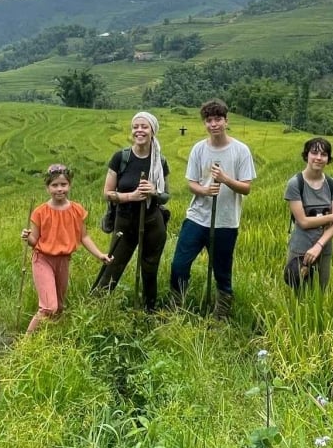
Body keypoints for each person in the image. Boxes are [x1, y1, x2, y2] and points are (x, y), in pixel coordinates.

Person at [169, 99, 255, 316]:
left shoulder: (241, 151)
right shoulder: (199, 149)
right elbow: (191, 183)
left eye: (218, 119)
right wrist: (204, 191)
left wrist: (225, 179)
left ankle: (221, 314)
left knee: (222, 272)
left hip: (226, 221)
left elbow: (246, 188)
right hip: (198, 217)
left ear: (226, 121)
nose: (213, 124)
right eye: (209, 120)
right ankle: (176, 307)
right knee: (179, 264)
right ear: (204, 123)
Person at [91, 111, 171, 310]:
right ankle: (95, 308)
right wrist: (130, 196)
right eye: (136, 127)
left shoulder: (159, 161)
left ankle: (149, 311)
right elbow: (107, 193)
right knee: (113, 266)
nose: (139, 131)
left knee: (149, 270)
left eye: (144, 127)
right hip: (124, 222)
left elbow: (166, 195)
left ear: (153, 131)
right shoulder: (121, 157)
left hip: (152, 222)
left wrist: (154, 191)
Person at [21, 163, 111, 333]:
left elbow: (83, 236)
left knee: (60, 306)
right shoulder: (40, 212)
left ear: (69, 185)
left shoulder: (76, 210)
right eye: (54, 185)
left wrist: (100, 255)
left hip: (63, 261)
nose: (59, 189)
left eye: (63, 184)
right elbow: (35, 240)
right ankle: (25, 343)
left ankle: (53, 337)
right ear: (47, 188)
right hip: (43, 259)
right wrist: (27, 237)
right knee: (49, 307)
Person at [283, 137, 333, 294]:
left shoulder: (332, 185)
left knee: (320, 293)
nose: (319, 157)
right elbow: (303, 222)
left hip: (324, 249)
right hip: (300, 249)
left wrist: (319, 245)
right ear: (307, 155)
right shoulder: (296, 184)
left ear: (328, 159)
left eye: (324, 154)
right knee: (298, 294)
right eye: (314, 152)